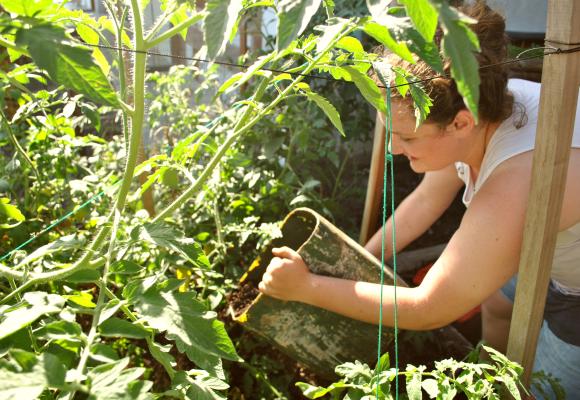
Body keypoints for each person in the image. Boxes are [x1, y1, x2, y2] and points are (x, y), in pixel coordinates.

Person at [257, 1, 580, 398]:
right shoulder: (477, 104)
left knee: (543, 389)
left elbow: (430, 307)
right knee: (497, 303)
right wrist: (355, 261)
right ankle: (488, 381)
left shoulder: (518, 182)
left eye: (406, 137)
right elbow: (427, 200)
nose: (392, 148)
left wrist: (307, 287)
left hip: (577, 290)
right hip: (548, 246)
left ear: (461, 124)